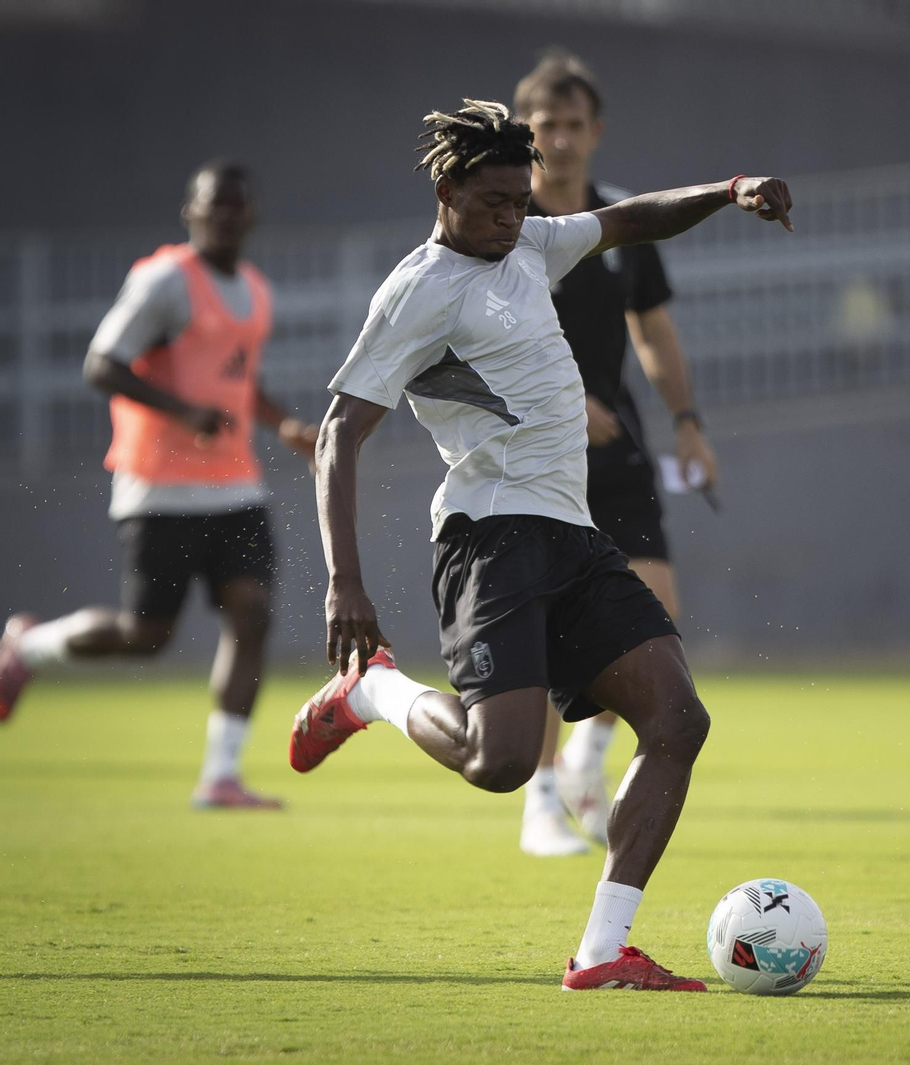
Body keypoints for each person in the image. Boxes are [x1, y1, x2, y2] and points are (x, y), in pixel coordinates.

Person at [288, 99, 791, 991]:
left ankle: (602, 949)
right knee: (503, 762)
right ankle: (375, 691)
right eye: (494, 202)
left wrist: (728, 189)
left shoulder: (528, 243)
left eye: (523, 201)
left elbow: (630, 219)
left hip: (573, 534)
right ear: (446, 189)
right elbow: (337, 434)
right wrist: (345, 583)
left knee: (679, 721)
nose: (514, 216)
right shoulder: (417, 290)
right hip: (490, 540)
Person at [0, 160, 317, 809]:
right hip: (159, 486)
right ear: (191, 213)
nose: (226, 215)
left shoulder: (255, 290)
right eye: (213, 204)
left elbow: (234, 379)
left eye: (237, 205)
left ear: (251, 215)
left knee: (251, 613)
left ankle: (221, 775)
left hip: (236, 486)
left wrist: (281, 421)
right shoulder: (164, 280)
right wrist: (182, 412)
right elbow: (101, 363)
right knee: (148, 636)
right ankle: (26, 645)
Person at [510, 49, 720, 857]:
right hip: (528, 454)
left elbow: (654, 330)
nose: (560, 140)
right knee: (535, 631)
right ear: (526, 133)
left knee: (649, 614)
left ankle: (587, 767)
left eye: (573, 124)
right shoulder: (508, 228)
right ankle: (538, 802)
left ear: (596, 132)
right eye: (545, 126)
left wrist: (689, 421)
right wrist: (561, 396)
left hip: (619, 448)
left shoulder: (622, 227)